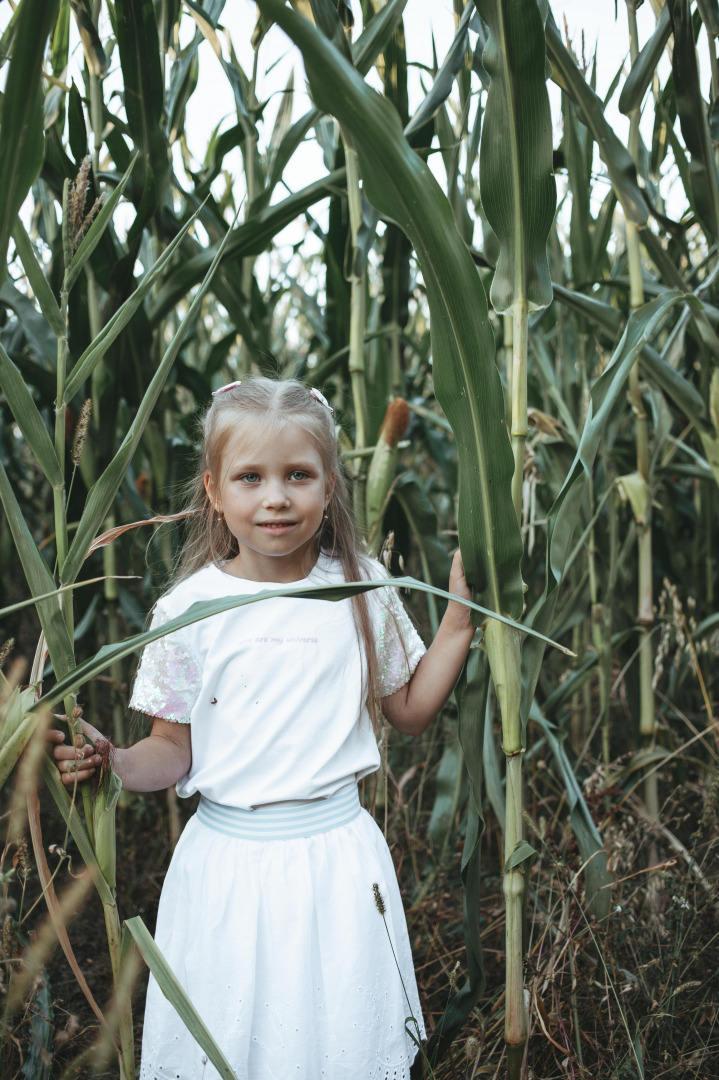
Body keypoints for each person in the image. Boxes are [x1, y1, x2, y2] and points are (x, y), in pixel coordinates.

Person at [51, 377, 475, 1080]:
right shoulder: (189, 609)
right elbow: (172, 750)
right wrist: (116, 762)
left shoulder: (361, 587)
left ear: (330, 485)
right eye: (250, 477)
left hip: (338, 862)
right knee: (229, 1043)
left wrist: (457, 618)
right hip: (225, 870)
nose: (275, 497)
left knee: (334, 1040)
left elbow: (409, 711)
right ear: (215, 490)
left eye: (298, 475)